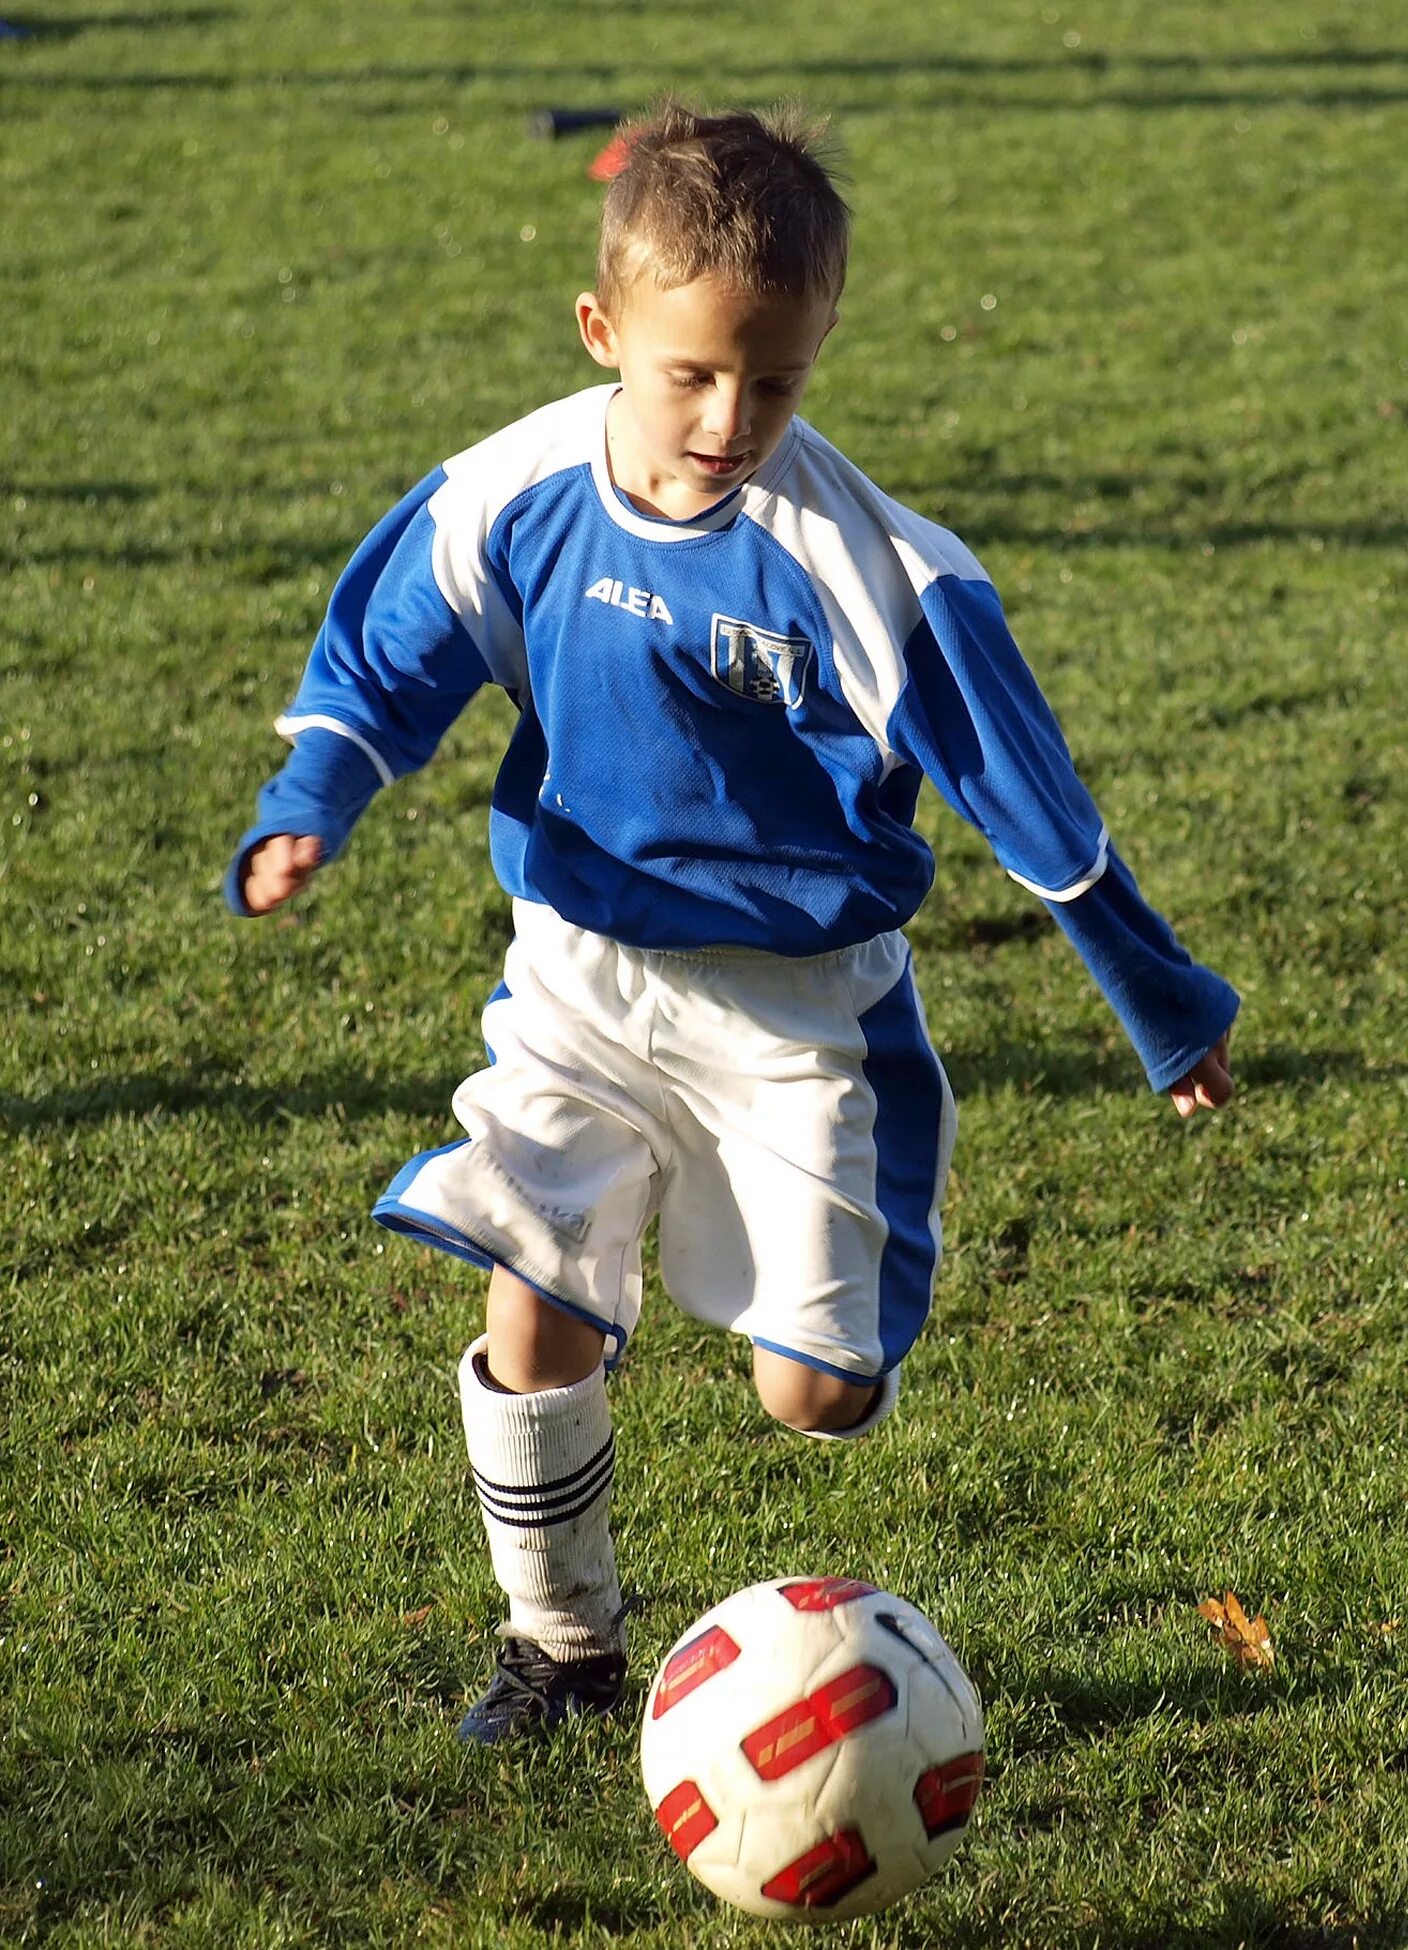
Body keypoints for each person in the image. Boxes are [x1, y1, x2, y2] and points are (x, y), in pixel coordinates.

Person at [225, 101, 1238, 1744]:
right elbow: (388, 647)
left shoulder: (873, 570)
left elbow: (1034, 810)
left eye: (777, 381)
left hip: (800, 1015)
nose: (731, 417)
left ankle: (833, 1322)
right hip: (582, 973)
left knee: (814, 1395)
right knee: (528, 1284)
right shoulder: (523, 486)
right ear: (603, 330)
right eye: (692, 372)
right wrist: (311, 803)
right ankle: (561, 1644)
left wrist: (1165, 1005)